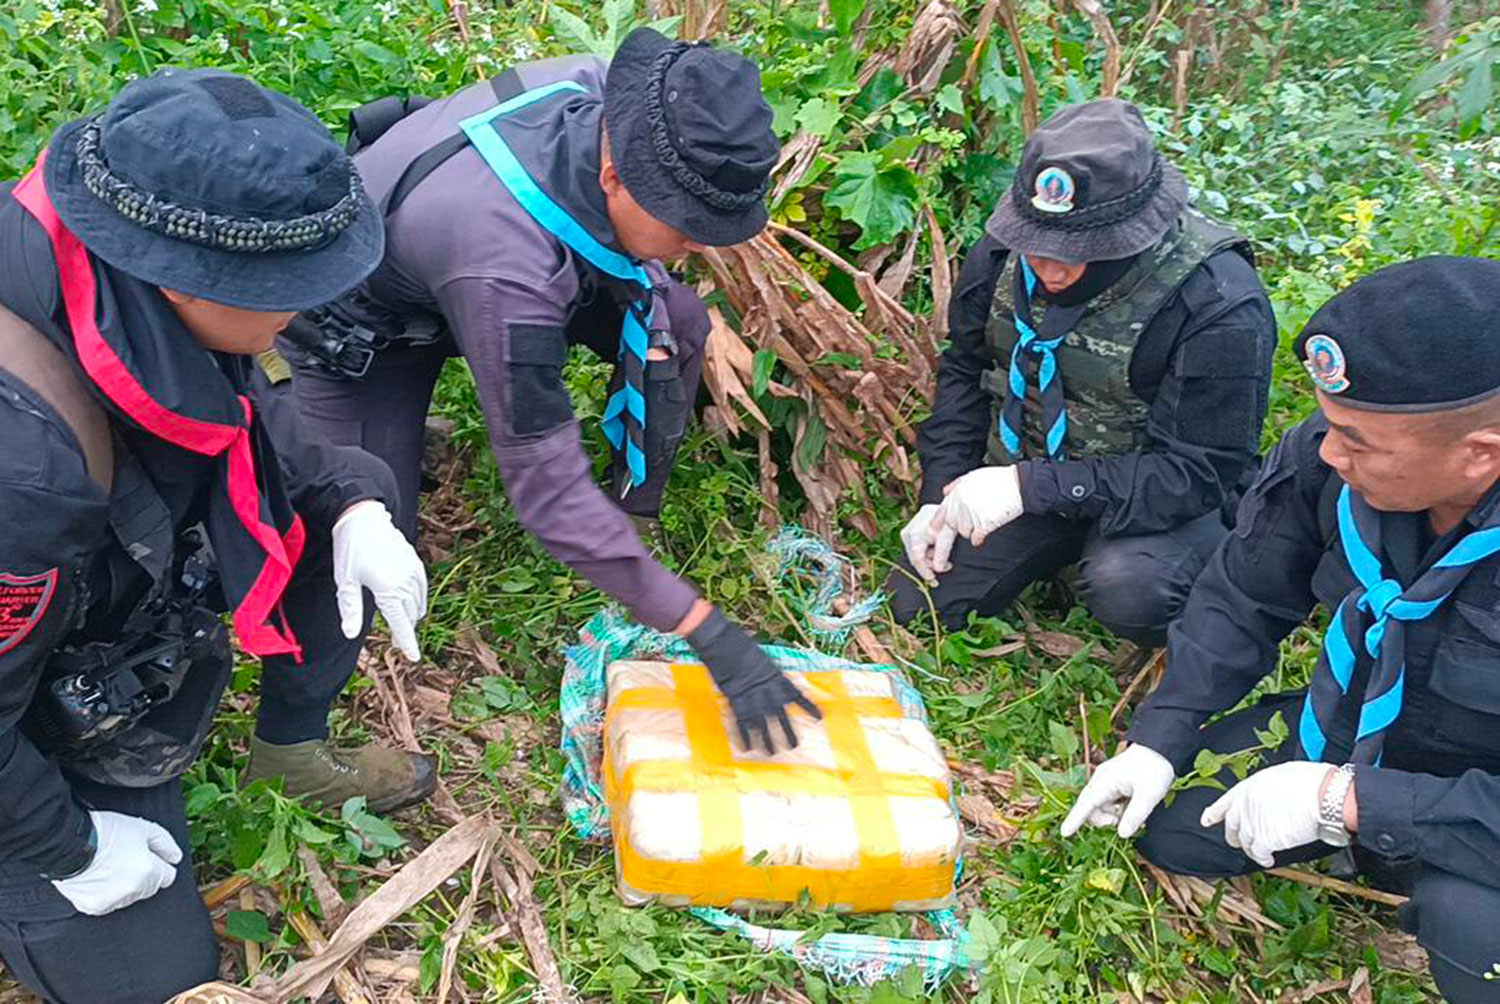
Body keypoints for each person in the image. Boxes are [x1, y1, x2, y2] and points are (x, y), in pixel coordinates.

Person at [0, 69, 432, 1001]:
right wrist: (66, 847)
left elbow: (247, 414)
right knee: (156, 980)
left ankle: (292, 748)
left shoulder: (109, 274)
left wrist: (355, 505)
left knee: (353, 487)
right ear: (183, 279)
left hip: (86, 620)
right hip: (18, 702)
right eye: (288, 291)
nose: (303, 312)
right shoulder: (23, 471)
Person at [277, 28, 819, 753]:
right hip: (364, 328)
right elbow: (547, 492)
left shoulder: (623, 101)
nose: (704, 246)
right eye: (689, 228)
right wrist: (707, 632)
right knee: (357, 540)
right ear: (615, 177)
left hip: (477, 253)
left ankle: (631, 518)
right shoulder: (503, 267)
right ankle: (289, 745)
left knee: (677, 322)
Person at [1064, 257, 1500, 1002]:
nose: (1333, 454)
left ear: (1479, 454)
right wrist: (1160, 739)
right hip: (1348, 726)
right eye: (1332, 429)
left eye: (1359, 442)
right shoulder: (1333, 463)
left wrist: (1354, 804)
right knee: (1172, 825)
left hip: (1477, 793)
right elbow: (1243, 594)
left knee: (1472, 932)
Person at [892, 99, 1276, 645]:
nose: (1048, 265)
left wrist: (1032, 487)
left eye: (1077, 250)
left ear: (1133, 232)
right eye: (1037, 246)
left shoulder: (1215, 298)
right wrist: (939, 493)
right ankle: (1048, 549)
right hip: (1026, 478)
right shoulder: (1005, 253)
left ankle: (1168, 573)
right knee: (917, 601)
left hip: (1156, 501)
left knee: (1135, 590)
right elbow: (965, 369)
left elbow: (1198, 473)